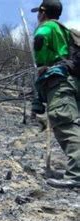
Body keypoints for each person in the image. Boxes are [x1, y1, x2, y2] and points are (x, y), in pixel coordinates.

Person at [31, 0, 80, 188]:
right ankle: (74, 169)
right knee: (72, 125)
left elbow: (40, 39)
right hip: (72, 81)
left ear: (43, 13)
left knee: (65, 124)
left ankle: (77, 174)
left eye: (38, 13)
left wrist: (41, 63)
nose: (37, 17)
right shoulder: (65, 31)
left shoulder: (47, 27)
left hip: (59, 82)